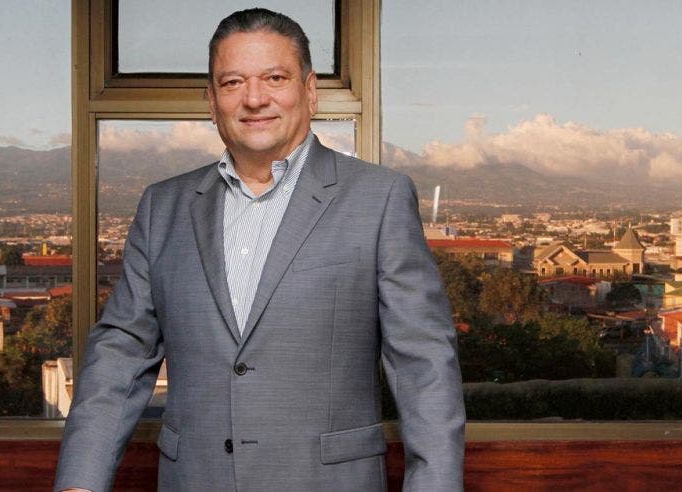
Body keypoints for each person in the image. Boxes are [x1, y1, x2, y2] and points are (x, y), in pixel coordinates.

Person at [54, 8, 464, 492]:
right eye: (232, 82)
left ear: (309, 90)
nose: (254, 99)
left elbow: (423, 364)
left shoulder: (379, 198)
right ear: (211, 100)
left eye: (275, 77)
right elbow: (121, 352)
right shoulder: (162, 206)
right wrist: (80, 483)